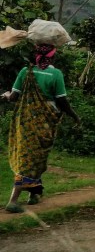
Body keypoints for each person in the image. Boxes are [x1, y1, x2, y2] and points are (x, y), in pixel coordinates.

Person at [0, 21, 80, 213]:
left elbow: (14, 97)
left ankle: (35, 193)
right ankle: (13, 200)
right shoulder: (56, 75)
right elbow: (62, 102)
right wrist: (74, 116)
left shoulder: (25, 72)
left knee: (30, 155)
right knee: (32, 159)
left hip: (25, 121)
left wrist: (5, 96)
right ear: (52, 54)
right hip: (46, 122)